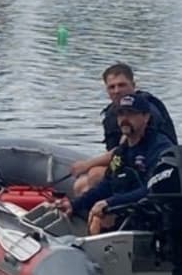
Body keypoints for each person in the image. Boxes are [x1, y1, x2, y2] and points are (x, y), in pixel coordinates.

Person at [56, 93, 175, 235]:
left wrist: (110, 203)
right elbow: (107, 184)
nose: (125, 119)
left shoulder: (159, 148)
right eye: (121, 114)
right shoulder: (122, 151)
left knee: (101, 216)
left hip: (150, 217)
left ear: (146, 117)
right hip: (125, 210)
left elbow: (151, 190)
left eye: (131, 114)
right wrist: (73, 205)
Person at [70, 62, 177, 197]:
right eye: (112, 87)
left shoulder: (146, 111)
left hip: (150, 168)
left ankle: (110, 205)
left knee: (95, 174)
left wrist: (87, 164)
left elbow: (129, 147)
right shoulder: (111, 114)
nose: (117, 91)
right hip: (127, 164)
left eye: (122, 85)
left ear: (133, 85)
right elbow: (117, 153)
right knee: (81, 185)